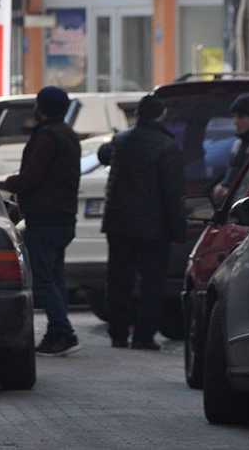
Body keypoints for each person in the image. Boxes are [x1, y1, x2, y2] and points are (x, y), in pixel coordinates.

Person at [97, 94, 185, 351]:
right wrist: (178, 228)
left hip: (119, 223)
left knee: (118, 279)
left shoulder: (122, 141)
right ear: (161, 115)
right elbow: (172, 194)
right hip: (154, 227)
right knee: (151, 282)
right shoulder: (167, 146)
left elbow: (104, 155)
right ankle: (144, 336)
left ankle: (118, 334)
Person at [2, 87, 81, 357]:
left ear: (42, 107)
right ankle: (55, 333)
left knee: (44, 279)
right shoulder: (68, 135)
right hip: (63, 217)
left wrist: (6, 183)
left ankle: (64, 330)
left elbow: (33, 176)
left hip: (45, 218)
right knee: (55, 277)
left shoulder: (47, 137)